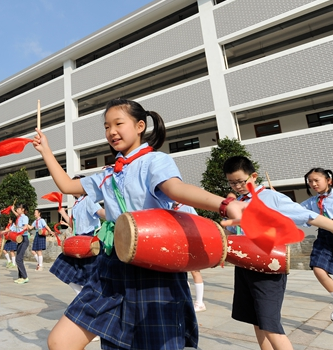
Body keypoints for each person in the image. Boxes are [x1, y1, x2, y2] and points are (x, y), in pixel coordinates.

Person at [32, 98, 248, 350]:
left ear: (139, 126)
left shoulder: (154, 161)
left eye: (118, 123)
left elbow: (176, 189)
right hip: (111, 269)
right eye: (106, 126)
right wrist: (45, 150)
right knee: (60, 341)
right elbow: (69, 186)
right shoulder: (109, 173)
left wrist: (224, 204)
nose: (111, 131)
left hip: (154, 268)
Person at [222, 156, 333, 350]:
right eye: (232, 182)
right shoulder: (237, 203)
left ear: (253, 176)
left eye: (240, 181)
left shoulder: (271, 198)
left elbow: (310, 216)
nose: (237, 186)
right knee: (256, 320)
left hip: (269, 266)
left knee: (270, 323)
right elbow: (231, 231)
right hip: (244, 264)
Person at [52, 179, 104, 295]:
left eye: (76, 184)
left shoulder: (89, 199)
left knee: (90, 277)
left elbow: (100, 212)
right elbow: (73, 225)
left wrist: (116, 216)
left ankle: (86, 300)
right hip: (78, 241)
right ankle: (81, 296)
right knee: (61, 267)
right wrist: (63, 213)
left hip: (91, 241)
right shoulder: (76, 204)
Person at [300, 167, 333, 321]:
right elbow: (294, 210)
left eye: (316, 180)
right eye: (310, 182)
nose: (313, 184)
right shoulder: (312, 202)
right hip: (324, 236)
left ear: (328, 180)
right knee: (318, 268)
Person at [11, 203, 31, 284]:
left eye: (18, 208)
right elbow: (17, 215)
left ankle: (25, 277)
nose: (17, 210)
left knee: (18, 259)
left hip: (24, 239)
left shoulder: (25, 217)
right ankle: (21, 277)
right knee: (18, 258)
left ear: (23, 210)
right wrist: (12, 209)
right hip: (20, 239)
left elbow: (25, 226)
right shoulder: (19, 217)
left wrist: (21, 228)